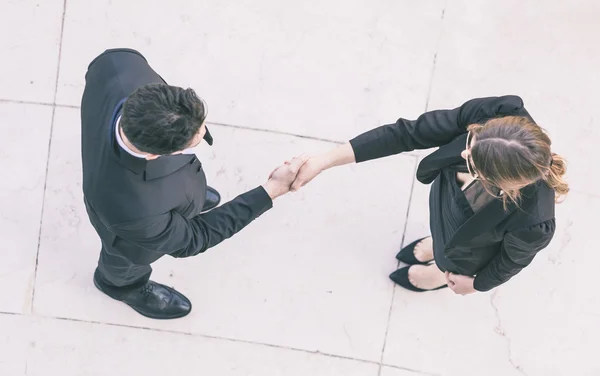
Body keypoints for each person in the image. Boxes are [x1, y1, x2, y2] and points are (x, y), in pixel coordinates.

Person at [81, 48, 307, 319]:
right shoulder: (133, 208)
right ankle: (119, 285)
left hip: (162, 198)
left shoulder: (120, 64)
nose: (203, 132)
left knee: (188, 197)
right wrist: (271, 191)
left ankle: (191, 201)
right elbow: (193, 238)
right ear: (155, 155)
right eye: (195, 140)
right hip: (132, 236)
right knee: (124, 262)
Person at [291, 96, 568, 294]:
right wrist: (324, 161)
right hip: (447, 206)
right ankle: (437, 242)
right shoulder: (501, 110)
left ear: (501, 183)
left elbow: (508, 263)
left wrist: (476, 285)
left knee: (450, 256)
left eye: (472, 163)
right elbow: (407, 133)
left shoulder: (534, 223)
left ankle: (439, 271)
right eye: (472, 140)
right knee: (441, 229)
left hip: (468, 251)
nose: (463, 153)